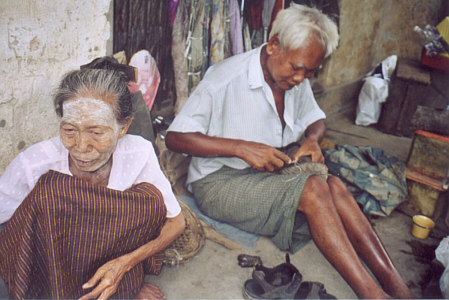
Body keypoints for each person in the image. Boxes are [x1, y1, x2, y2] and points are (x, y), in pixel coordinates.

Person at [165, 4, 414, 299]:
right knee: (313, 190)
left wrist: (312, 139)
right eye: (296, 68)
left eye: (309, 72)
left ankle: (399, 288)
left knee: (334, 186)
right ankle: (373, 295)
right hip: (219, 182)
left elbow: (316, 119)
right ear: (273, 46)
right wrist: (241, 148)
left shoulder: (295, 78)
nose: (300, 78)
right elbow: (175, 138)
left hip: (267, 173)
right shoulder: (224, 79)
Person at [0, 68, 185, 300]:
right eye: (69, 130)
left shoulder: (139, 152)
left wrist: (125, 265)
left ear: (123, 127)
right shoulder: (34, 164)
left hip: (106, 258)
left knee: (151, 200)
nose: (81, 145)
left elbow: (176, 222)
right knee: (51, 191)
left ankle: (123, 282)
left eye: (96, 132)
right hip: (53, 264)